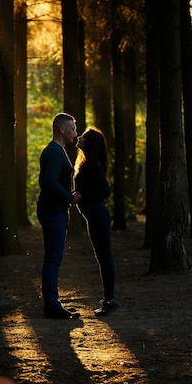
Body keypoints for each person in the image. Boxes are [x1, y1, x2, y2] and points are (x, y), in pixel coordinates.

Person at [37, 113, 82, 319]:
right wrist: (69, 198)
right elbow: (50, 181)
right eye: (72, 128)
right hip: (53, 211)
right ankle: (52, 305)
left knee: (53, 258)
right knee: (53, 259)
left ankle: (52, 303)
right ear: (61, 129)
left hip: (53, 210)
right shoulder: (55, 152)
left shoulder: (55, 150)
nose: (75, 132)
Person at [75, 127, 120, 317]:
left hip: (98, 217)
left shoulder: (94, 166)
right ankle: (108, 299)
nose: (79, 138)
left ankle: (109, 300)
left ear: (90, 144)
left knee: (105, 258)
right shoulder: (87, 164)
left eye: (83, 138)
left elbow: (105, 191)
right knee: (103, 258)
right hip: (94, 217)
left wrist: (82, 196)